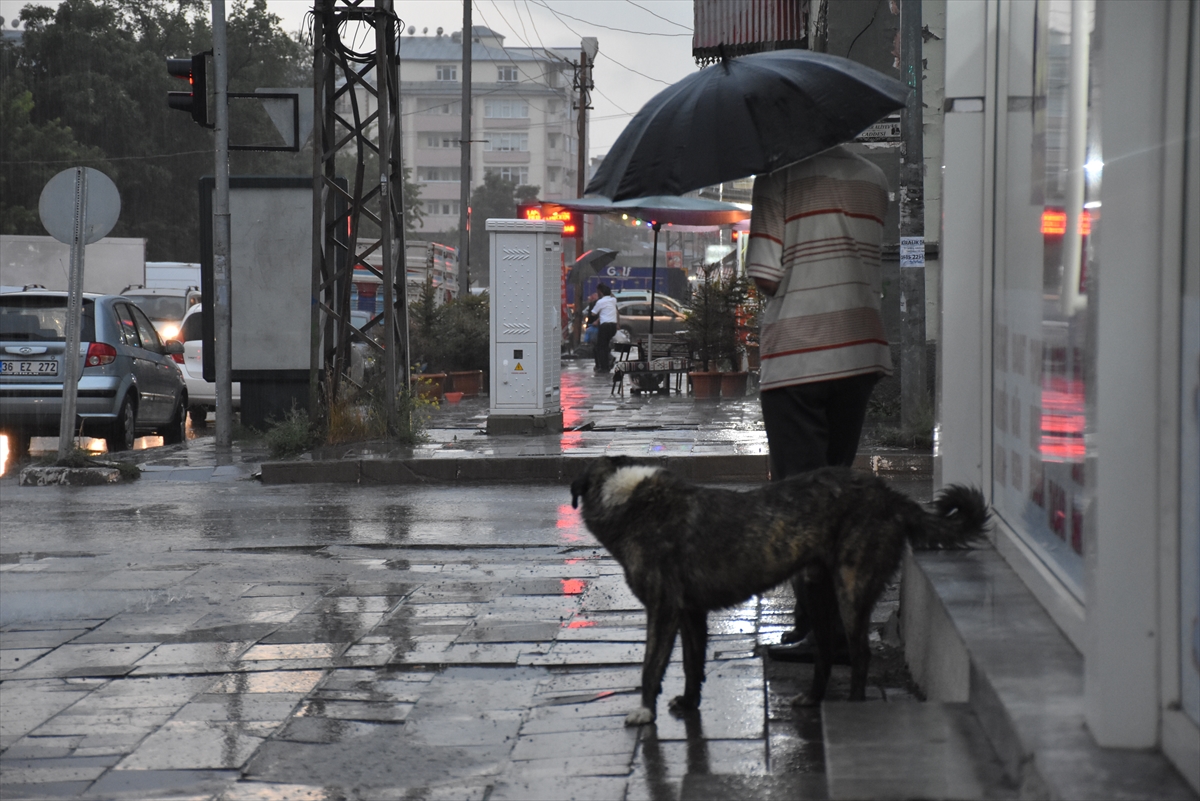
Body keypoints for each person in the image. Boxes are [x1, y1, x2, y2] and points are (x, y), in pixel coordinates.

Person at [745, 144, 893, 661]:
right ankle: (816, 622)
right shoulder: (874, 178)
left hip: (800, 357)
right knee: (832, 494)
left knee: (801, 504)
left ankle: (827, 634)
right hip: (860, 349)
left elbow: (766, 273)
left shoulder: (777, 176)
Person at [592, 283, 619, 372]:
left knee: (601, 347)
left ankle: (604, 367)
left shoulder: (600, 302)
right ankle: (607, 362)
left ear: (600, 292)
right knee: (606, 345)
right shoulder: (613, 300)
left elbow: (593, 313)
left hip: (605, 326)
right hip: (613, 326)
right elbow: (613, 296)